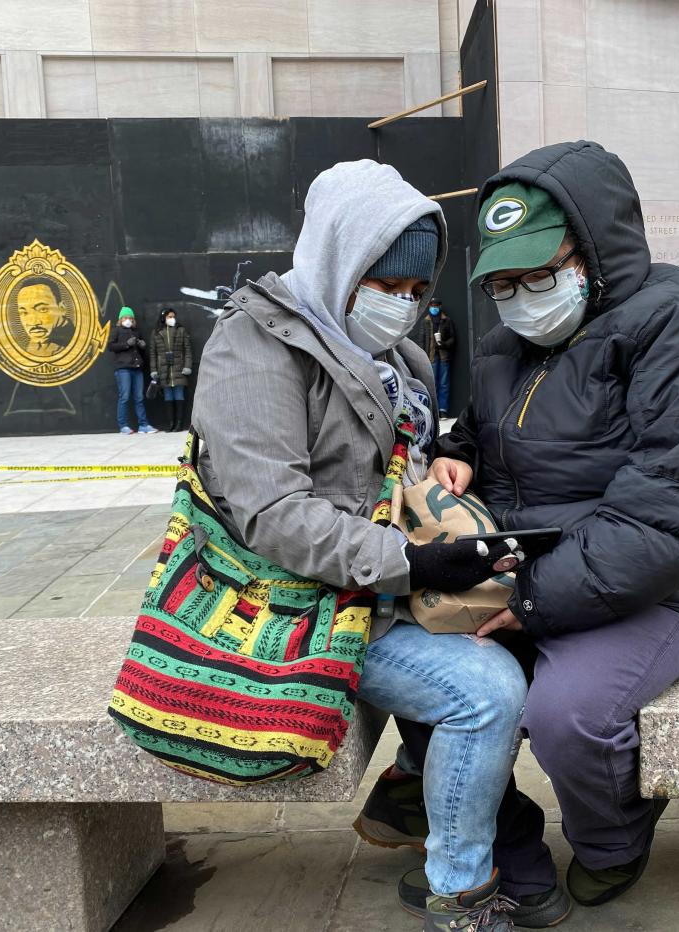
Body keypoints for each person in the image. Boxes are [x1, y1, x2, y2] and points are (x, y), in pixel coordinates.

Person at [356, 141, 679, 922]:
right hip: (532, 570)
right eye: (504, 282)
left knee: (567, 713)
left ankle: (614, 840)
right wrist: (454, 458)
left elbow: (669, 513)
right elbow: (476, 429)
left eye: (538, 276)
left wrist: (535, 600)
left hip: (675, 581)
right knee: (424, 671)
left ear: (595, 248)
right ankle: (516, 860)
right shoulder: (513, 342)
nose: (519, 298)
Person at [193, 159, 532, 932]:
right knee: (487, 692)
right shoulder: (255, 346)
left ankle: (411, 785)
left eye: (418, 291)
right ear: (340, 260)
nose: (404, 307)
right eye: (388, 285)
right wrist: (411, 563)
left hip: (382, 591)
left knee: (521, 631)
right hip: (302, 604)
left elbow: (390, 464)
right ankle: (458, 892)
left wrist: (443, 461)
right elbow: (273, 513)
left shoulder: (401, 358)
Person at [108, 306, 158, 435]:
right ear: (120, 319)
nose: (128, 320)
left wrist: (142, 346)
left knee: (139, 397)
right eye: (125, 318)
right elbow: (111, 346)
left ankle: (143, 425)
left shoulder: (136, 332)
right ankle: (123, 426)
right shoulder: (116, 331)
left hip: (137, 368)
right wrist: (126, 344)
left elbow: (140, 351)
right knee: (124, 397)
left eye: (130, 318)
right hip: (123, 369)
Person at [151, 307, 193, 432]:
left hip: (178, 368)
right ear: (164, 318)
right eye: (169, 316)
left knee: (179, 395)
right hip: (164, 369)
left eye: (173, 316)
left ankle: (179, 423)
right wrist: (154, 370)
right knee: (168, 396)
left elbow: (188, 350)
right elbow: (153, 353)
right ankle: (171, 423)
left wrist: (187, 366)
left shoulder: (181, 330)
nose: (172, 319)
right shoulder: (156, 332)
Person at [416, 298, 456, 412]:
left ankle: (443, 409)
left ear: (440, 306)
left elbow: (453, 339)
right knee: (432, 384)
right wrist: (423, 357)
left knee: (444, 384)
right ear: (429, 306)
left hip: (444, 357)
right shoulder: (425, 321)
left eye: (436, 305)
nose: (434, 308)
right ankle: (433, 409)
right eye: (432, 305)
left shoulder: (447, 320)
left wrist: (444, 344)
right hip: (431, 357)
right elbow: (421, 340)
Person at [16, 280, 69, 357]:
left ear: (62, 309)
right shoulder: (35, 344)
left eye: (42, 309)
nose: (33, 322)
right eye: (24, 312)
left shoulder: (74, 343)